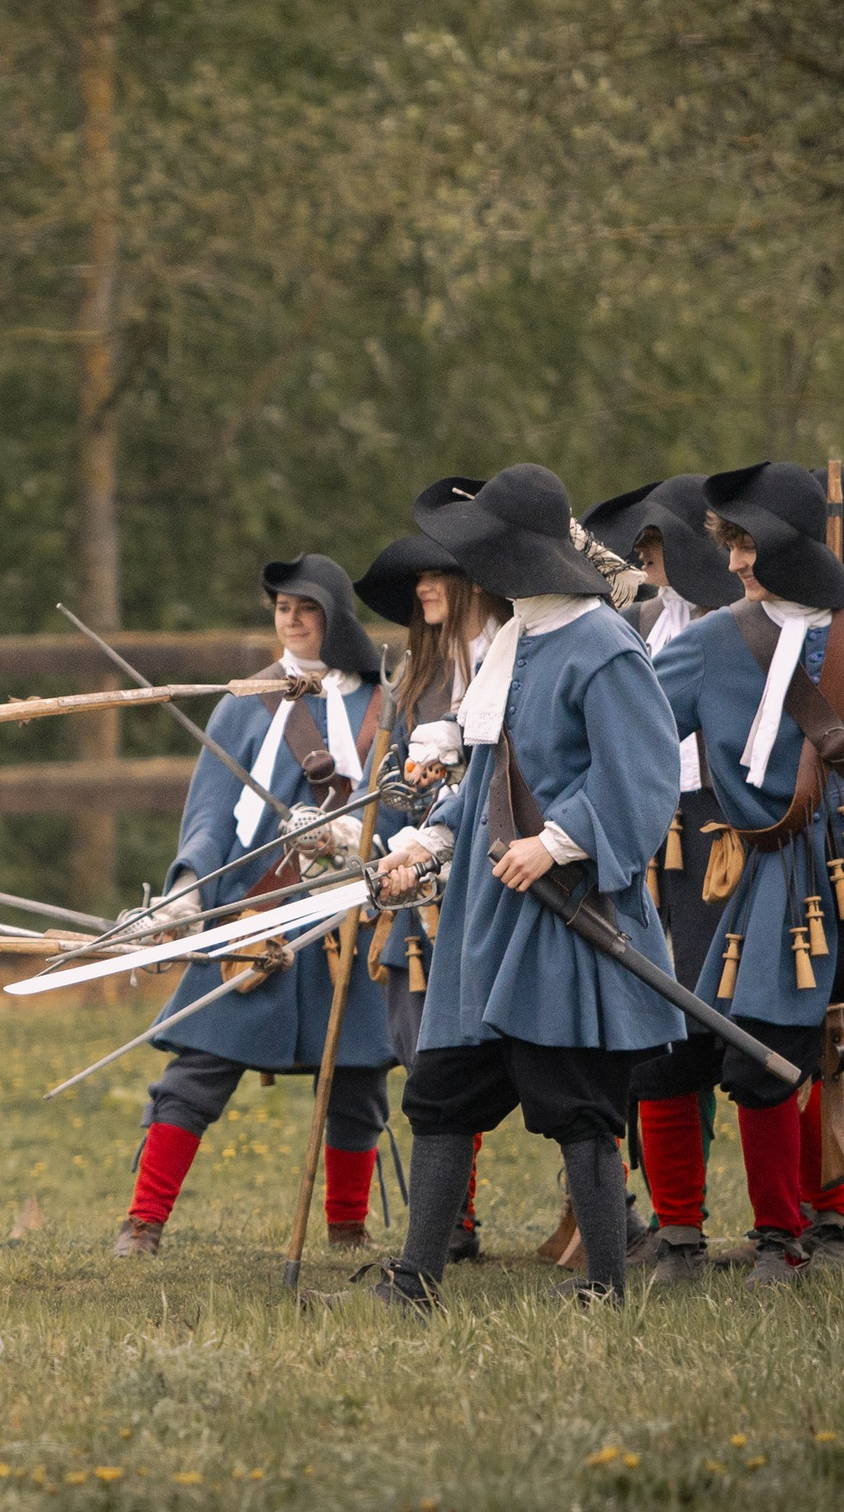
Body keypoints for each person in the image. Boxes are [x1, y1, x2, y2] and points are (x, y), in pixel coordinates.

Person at [369, 465, 683, 1309]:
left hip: (563, 919)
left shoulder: (602, 645)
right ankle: (413, 1282)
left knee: (576, 1103)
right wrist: (430, 841)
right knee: (439, 1093)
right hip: (486, 912)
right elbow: (489, 777)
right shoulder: (515, 639)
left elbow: (643, 778)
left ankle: (606, 1287)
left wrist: (556, 841)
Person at [649, 462, 844, 1285]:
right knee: (760, 1059)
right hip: (779, 882)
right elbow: (625, 725)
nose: (731, 564)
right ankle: (780, 1239)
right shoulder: (712, 642)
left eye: (746, 545)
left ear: (793, 543)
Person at [112, 554, 393, 1257]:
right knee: (196, 1071)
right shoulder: (244, 699)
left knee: (358, 1080)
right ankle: (141, 1224)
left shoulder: (388, 703)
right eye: (281, 608)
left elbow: (411, 807)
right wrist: (185, 893)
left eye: (306, 607)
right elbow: (209, 816)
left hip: (347, 923)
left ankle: (348, 1229)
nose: (292, 619)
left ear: (334, 614)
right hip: (252, 914)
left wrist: (361, 839)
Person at [580, 475, 743, 1283]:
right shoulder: (640, 622)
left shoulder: (743, 623)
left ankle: (812, 1221)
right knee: (660, 1026)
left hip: (735, 834)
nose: (646, 560)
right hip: (655, 832)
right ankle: (680, 1232)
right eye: (641, 549)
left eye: (655, 545)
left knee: (760, 1024)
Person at [352, 533, 508, 1262]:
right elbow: (384, 780)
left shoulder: (513, 651)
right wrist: (358, 842)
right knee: (428, 1052)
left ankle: (606, 1217)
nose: (424, 587)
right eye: (418, 577)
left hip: (503, 876)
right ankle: (455, 1221)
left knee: (546, 1058)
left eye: (438, 573)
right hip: (417, 881)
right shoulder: (416, 672)